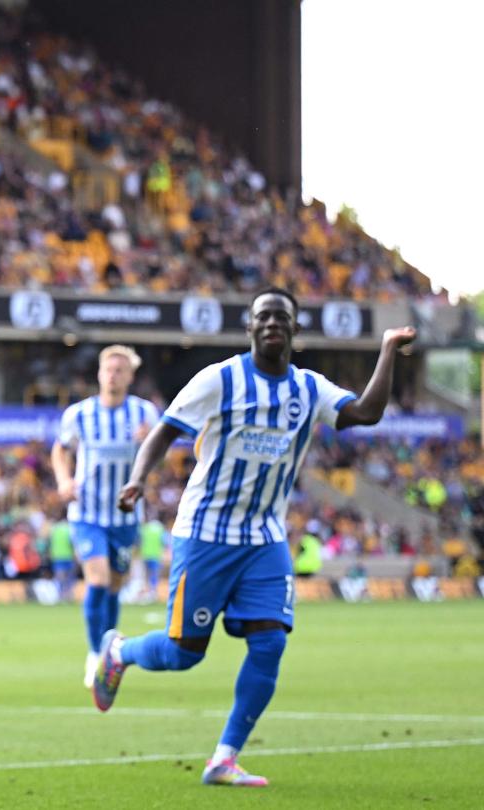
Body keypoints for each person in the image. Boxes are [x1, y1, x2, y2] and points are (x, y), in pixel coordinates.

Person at [95, 287, 415, 787]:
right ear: (249, 327)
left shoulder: (308, 388)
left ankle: (224, 757)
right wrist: (138, 478)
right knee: (183, 653)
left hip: (264, 538)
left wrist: (388, 349)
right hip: (205, 534)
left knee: (269, 644)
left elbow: (365, 413)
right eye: (262, 316)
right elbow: (165, 430)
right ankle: (119, 652)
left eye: (280, 317)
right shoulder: (219, 379)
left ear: (294, 329)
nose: (271, 324)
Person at [51, 345, 159, 687]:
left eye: (120, 370)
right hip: (87, 513)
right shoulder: (80, 414)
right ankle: (95, 653)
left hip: (126, 517)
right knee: (97, 581)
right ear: (99, 374)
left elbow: (160, 457)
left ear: (130, 376)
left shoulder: (145, 413)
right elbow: (60, 450)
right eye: (108, 369)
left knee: (113, 587)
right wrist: (64, 480)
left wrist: (148, 442)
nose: (113, 375)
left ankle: (109, 650)